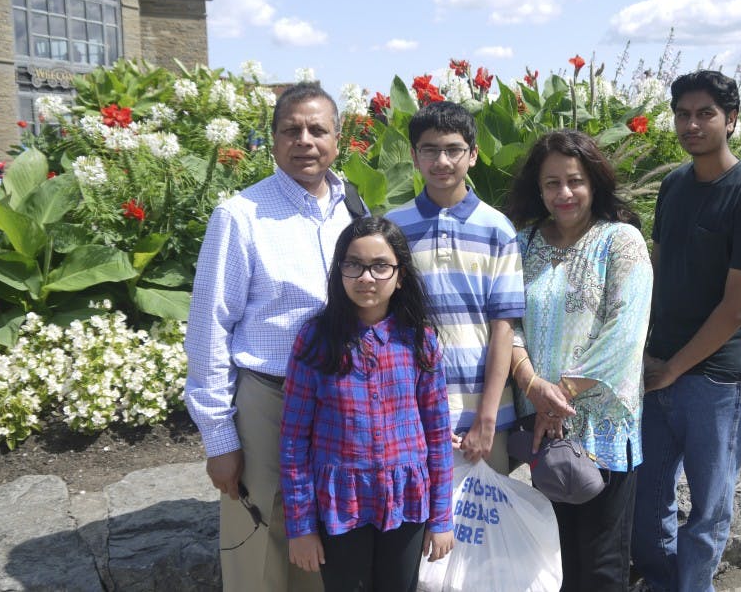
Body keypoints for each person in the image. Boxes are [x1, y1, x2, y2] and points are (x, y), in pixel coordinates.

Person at [184, 82, 364, 591]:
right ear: (272, 139)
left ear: (337, 137)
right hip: (271, 399)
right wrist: (219, 438)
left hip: (342, 401)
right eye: (291, 129)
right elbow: (209, 327)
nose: (304, 140)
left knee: (331, 538)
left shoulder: (354, 209)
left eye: (317, 129)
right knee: (261, 541)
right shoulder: (241, 216)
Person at [632, 70, 741, 592]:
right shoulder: (673, 184)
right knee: (647, 498)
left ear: (731, 120)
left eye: (705, 114)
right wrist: (648, 353)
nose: (691, 124)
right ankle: (662, 581)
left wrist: (673, 368)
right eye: (683, 114)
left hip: (716, 379)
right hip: (659, 365)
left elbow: (738, 306)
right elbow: (659, 265)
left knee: (710, 505)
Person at [505, 129, 652, 591]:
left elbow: (625, 332)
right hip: (541, 429)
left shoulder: (620, 242)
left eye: (575, 180)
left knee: (601, 566)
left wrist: (560, 395)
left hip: (600, 429)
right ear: (538, 188)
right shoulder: (524, 242)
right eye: (552, 183)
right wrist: (533, 387)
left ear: (594, 182)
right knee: (549, 559)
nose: (564, 193)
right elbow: (507, 323)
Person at [280, 216, 454, 591]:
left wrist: (441, 518)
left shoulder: (420, 342)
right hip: (340, 504)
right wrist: (301, 526)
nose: (366, 278)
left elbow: (438, 437)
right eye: (354, 265)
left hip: (406, 501)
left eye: (380, 266)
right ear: (339, 270)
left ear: (400, 275)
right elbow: (294, 441)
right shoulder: (315, 340)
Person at [385, 101, 524, 474]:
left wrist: (487, 418)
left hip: (483, 413)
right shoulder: (392, 229)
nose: (442, 161)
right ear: (414, 157)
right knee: (421, 527)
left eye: (453, 150)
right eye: (430, 150)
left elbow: (503, 330)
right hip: (410, 409)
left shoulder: (498, 229)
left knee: (485, 526)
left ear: (473, 155)